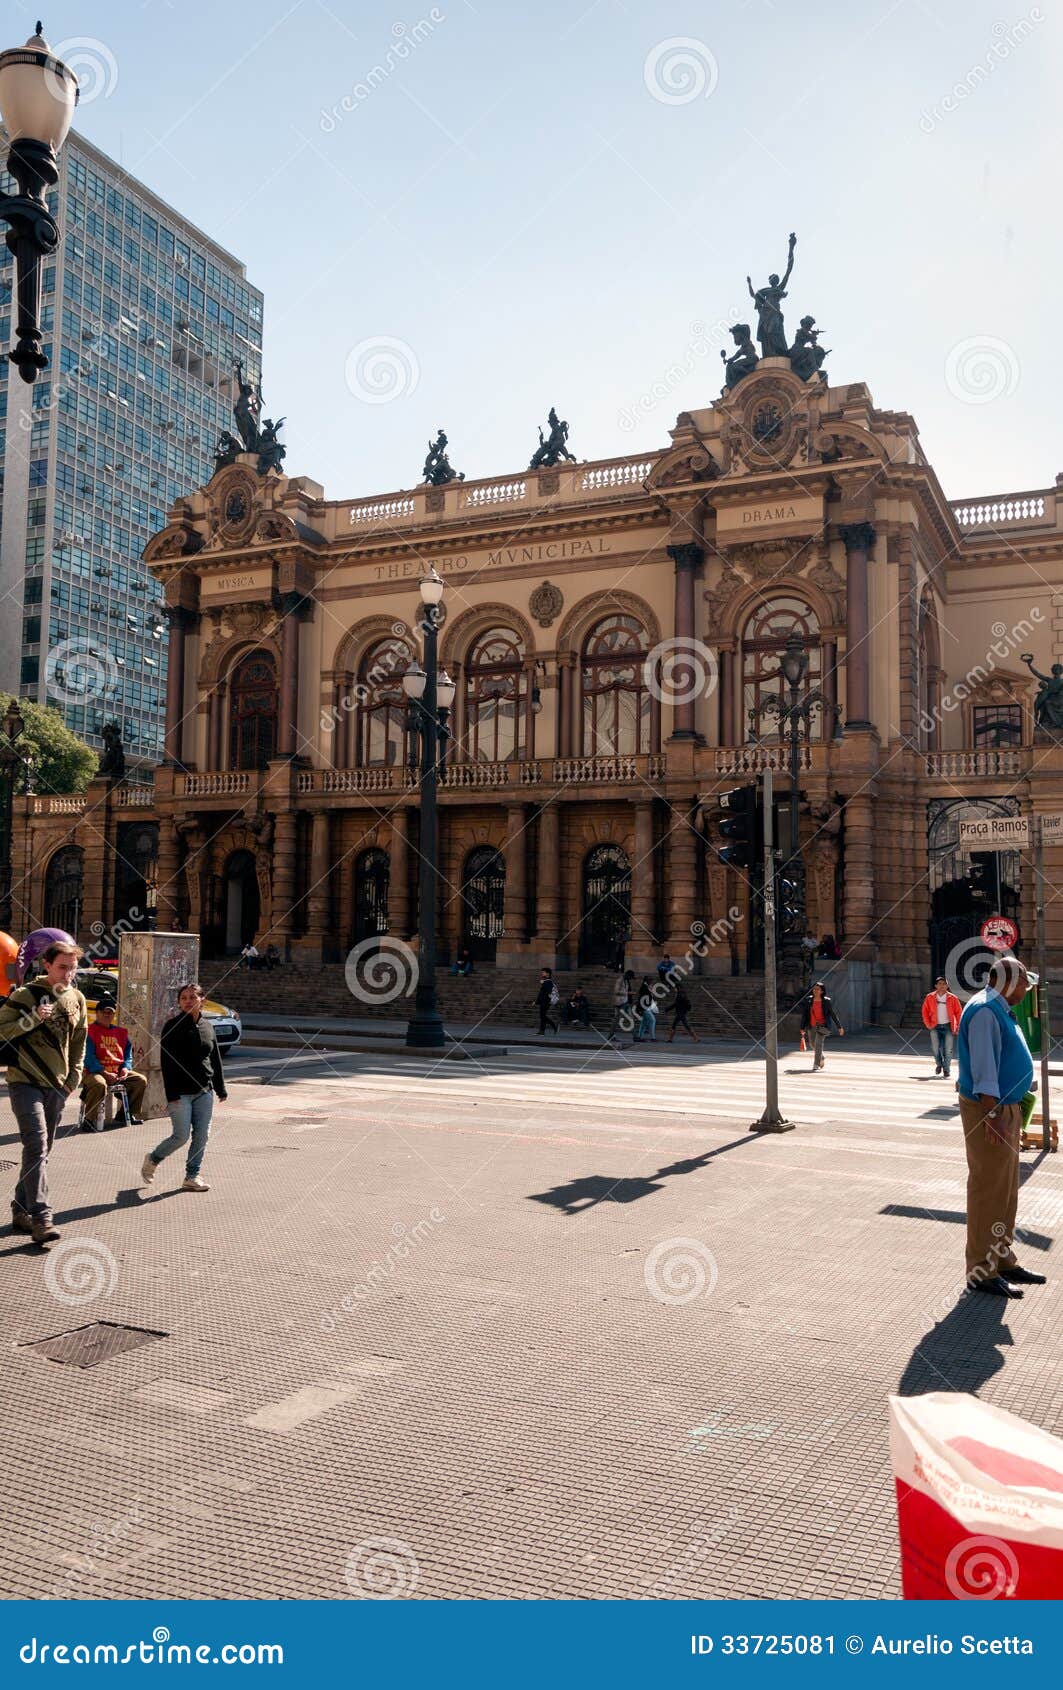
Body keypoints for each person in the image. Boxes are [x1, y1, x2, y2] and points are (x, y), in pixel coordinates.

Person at [955, 954, 1044, 1298]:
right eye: (1024, 982)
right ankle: (981, 1270)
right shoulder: (983, 1011)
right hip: (989, 1110)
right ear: (1008, 979)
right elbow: (984, 1069)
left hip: (1005, 1108)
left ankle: (1002, 1258)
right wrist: (993, 1117)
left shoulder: (999, 1006)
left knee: (1006, 1190)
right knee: (988, 1190)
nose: (1027, 988)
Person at [0, 939, 87, 1246]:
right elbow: (2, 1029)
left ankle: (20, 1208)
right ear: (47, 965)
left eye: (73, 968)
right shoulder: (26, 994)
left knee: (41, 1150)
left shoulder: (76, 997)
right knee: (36, 1145)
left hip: (57, 1085)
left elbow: (79, 1041)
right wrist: (33, 1017)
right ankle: (42, 1217)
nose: (68, 974)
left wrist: (73, 1077)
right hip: (24, 1081)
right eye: (62, 967)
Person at [140, 982, 227, 1194]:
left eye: (192, 997)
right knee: (181, 1136)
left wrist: (220, 1088)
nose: (187, 1001)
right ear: (179, 1003)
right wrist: (172, 1095)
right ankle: (153, 1158)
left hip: (203, 1091)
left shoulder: (208, 1027)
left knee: (202, 1135)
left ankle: (192, 1176)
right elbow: (167, 1063)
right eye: (183, 998)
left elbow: (214, 1058)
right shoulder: (172, 1026)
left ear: (202, 1000)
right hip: (180, 1093)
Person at [80, 996, 146, 1130]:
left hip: (116, 1072)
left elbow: (127, 1054)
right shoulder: (89, 1031)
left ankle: (125, 1114)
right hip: (93, 1072)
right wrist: (104, 1073)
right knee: (99, 1084)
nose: (107, 1015)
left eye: (110, 1012)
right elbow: (88, 1057)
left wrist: (126, 1068)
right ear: (97, 1013)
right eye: (104, 1012)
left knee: (140, 1080)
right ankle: (88, 1119)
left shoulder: (120, 1032)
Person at [921, 974, 962, 1078]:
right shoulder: (930, 997)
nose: (942, 986)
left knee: (948, 1049)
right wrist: (928, 1024)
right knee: (935, 1048)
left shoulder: (953, 998)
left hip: (948, 1026)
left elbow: (958, 1013)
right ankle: (939, 1064)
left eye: (944, 984)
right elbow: (924, 1011)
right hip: (935, 1026)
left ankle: (946, 1069)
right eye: (939, 984)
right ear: (936, 986)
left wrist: (957, 1026)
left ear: (947, 986)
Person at [799, 981, 844, 1070]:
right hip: (811, 1026)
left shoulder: (826, 1001)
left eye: (817, 989)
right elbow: (805, 1014)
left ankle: (816, 1064)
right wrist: (802, 1027)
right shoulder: (808, 1000)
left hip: (823, 1026)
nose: (815, 991)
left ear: (822, 991)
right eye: (814, 989)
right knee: (812, 1044)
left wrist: (839, 1027)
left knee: (818, 1044)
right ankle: (821, 1056)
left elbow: (832, 1014)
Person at [612, 969, 633, 1048]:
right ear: (628, 975)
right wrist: (628, 993)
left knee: (631, 1018)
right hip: (619, 1002)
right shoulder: (620, 980)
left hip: (625, 1002)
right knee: (616, 1019)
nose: (631, 979)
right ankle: (611, 1035)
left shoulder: (626, 981)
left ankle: (635, 1036)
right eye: (630, 977)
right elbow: (616, 991)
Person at [534, 968, 559, 1036]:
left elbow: (547, 992)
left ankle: (554, 1025)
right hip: (544, 1001)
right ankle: (542, 1031)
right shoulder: (546, 982)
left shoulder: (549, 982)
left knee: (542, 1016)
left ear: (548, 974)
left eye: (543, 972)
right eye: (542, 972)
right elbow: (541, 993)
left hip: (546, 1002)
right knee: (542, 1016)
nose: (542, 973)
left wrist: (543, 983)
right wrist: (537, 1001)